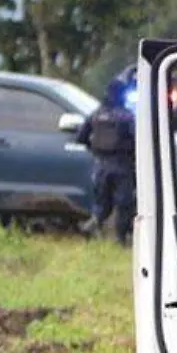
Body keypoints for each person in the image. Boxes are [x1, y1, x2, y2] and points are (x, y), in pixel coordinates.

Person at [77, 68, 137, 245]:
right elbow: (138, 139)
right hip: (122, 165)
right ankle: (120, 238)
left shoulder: (95, 115)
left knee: (102, 204)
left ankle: (91, 225)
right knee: (124, 204)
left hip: (100, 165)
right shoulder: (126, 117)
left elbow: (81, 137)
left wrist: (95, 150)